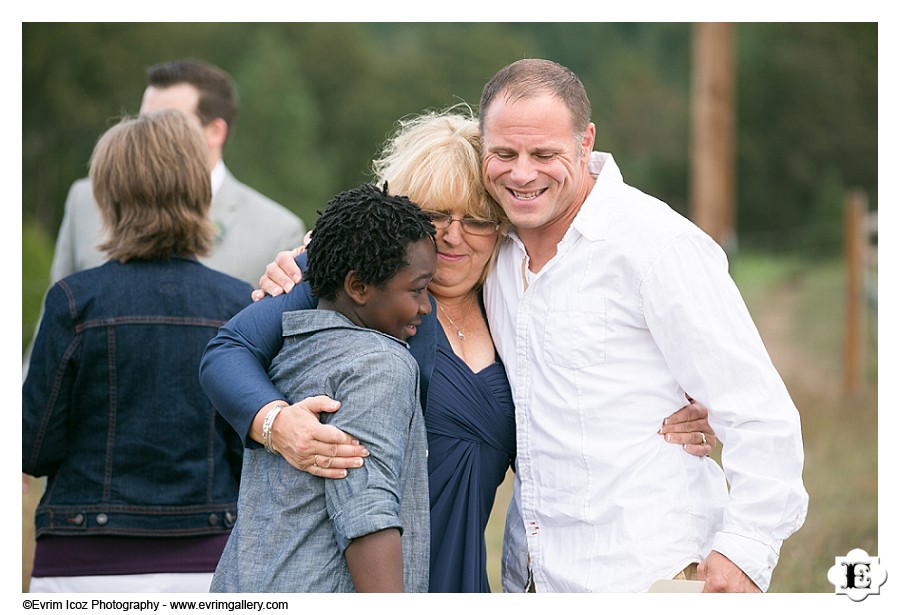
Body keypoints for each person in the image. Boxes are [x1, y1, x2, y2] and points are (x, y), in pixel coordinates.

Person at [201, 108, 719, 592]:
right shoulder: (351, 280)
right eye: (433, 217)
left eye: (476, 219)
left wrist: (677, 414)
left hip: (465, 576)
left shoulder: (517, 302)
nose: (453, 237)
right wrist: (276, 424)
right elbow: (226, 352)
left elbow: (572, 418)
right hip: (354, 574)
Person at [475, 58, 808, 592]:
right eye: (504, 153)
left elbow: (758, 413)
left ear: (585, 143)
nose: (521, 173)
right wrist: (297, 263)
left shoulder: (656, 245)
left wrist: (743, 552)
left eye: (544, 154)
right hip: (532, 576)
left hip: (646, 572)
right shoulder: (484, 248)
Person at [22, 109, 252, 593]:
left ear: (108, 196)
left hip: (81, 561)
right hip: (209, 558)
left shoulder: (73, 300)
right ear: (198, 192)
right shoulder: (237, 304)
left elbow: (34, 447)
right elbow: (247, 445)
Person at [210, 184, 435, 592]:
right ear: (359, 287)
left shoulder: (289, 351)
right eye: (418, 290)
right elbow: (368, 515)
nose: (425, 306)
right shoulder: (380, 364)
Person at [49, 58, 306, 289]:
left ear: (216, 131)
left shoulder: (277, 231)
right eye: (143, 121)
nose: (146, 135)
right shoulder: (85, 199)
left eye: (168, 123)